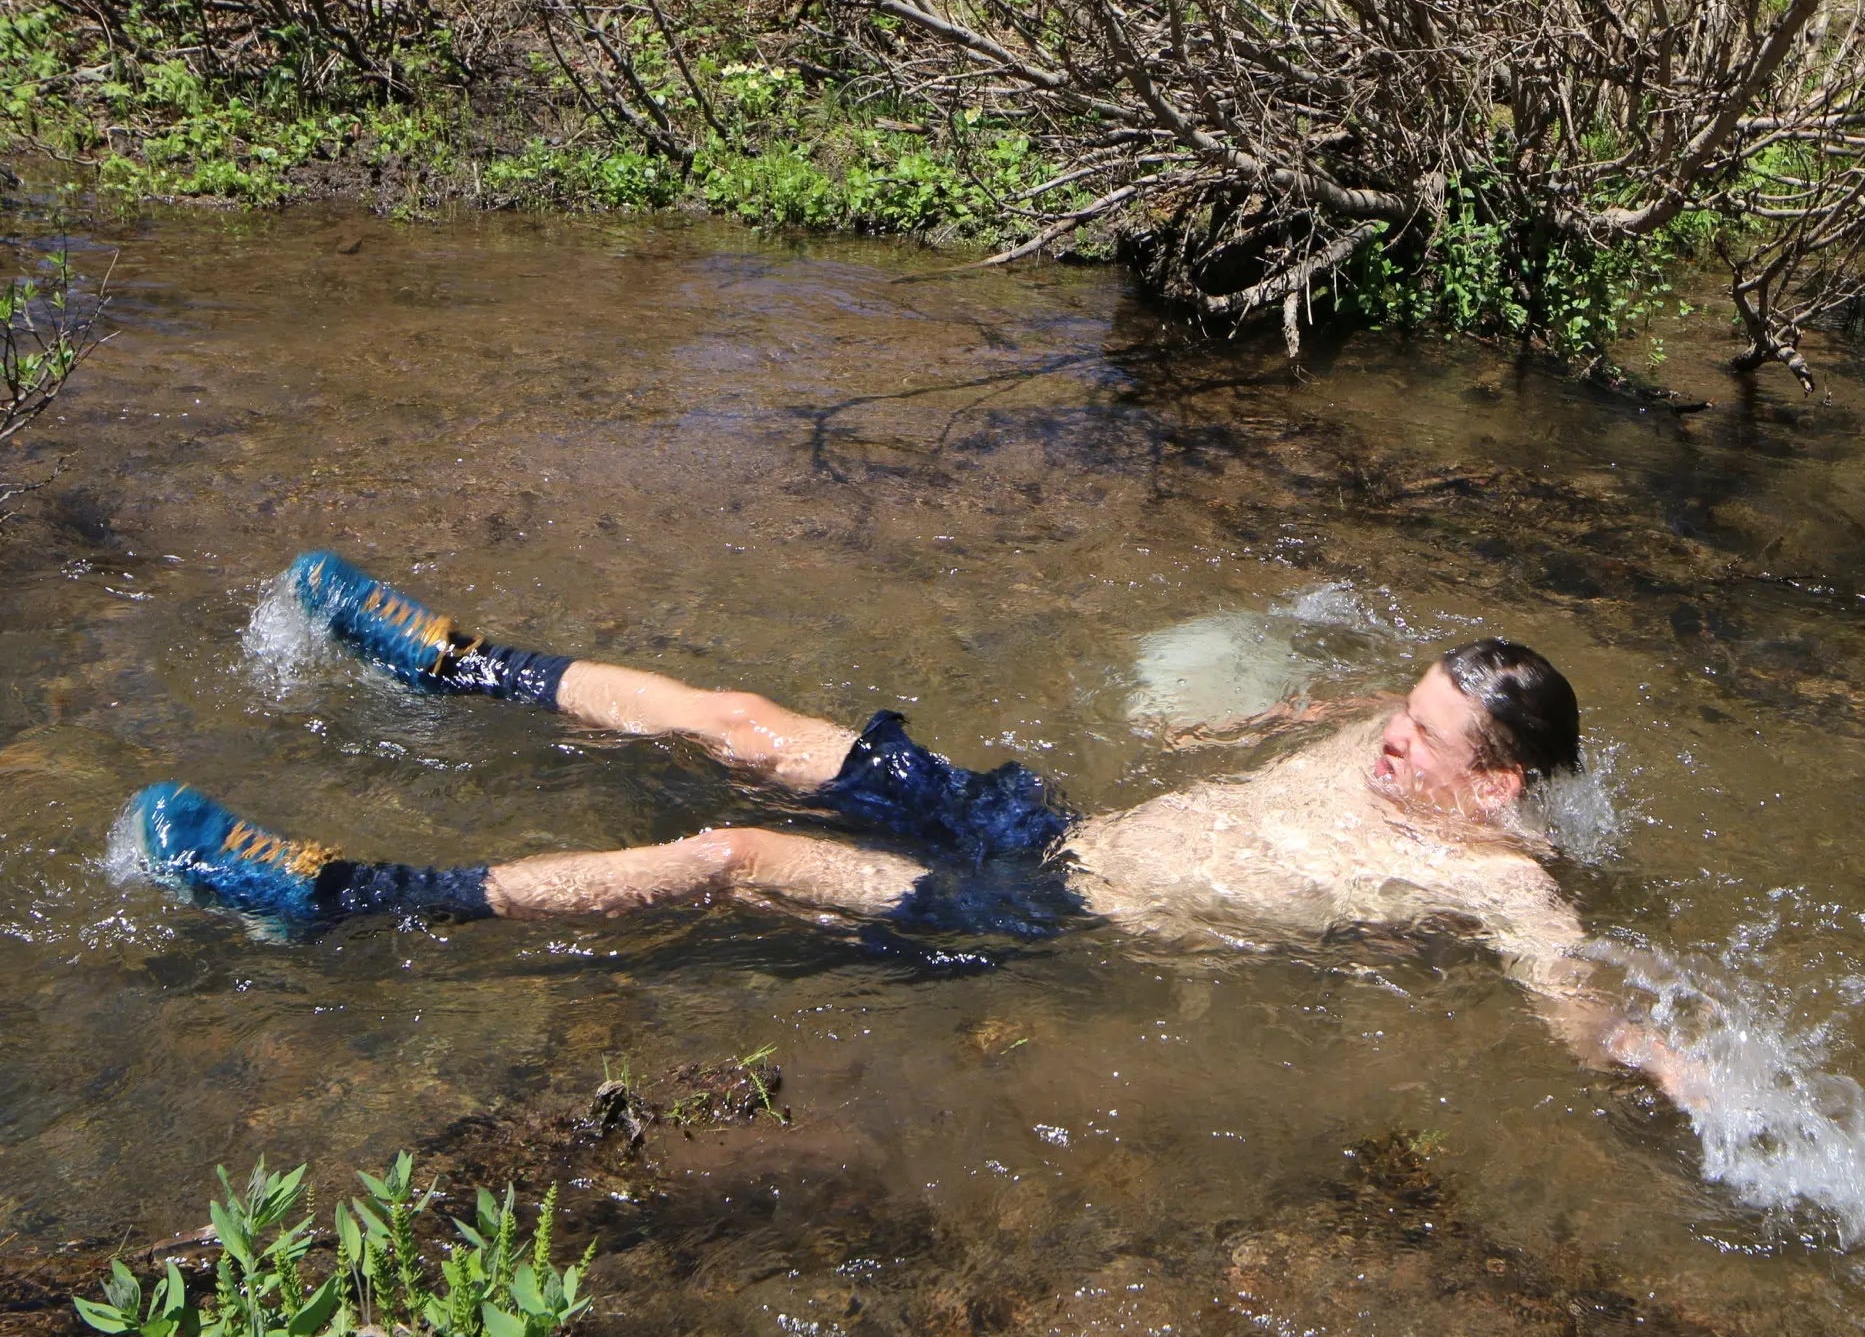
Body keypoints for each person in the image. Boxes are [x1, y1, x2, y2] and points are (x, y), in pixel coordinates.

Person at [126, 552, 1697, 1099]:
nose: (1384, 741)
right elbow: (1334, 705)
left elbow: (1573, 1008)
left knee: (728, 859)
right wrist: (1248, 716)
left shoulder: (1504, 885)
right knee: (745, 725)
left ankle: (337, 895)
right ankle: (451, 662)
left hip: (1050, 916)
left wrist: (1661, 1060)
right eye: (1394, 712)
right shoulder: (1393, 736)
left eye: (1416, 742)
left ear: (1497, 785)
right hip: (1048, 824)